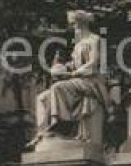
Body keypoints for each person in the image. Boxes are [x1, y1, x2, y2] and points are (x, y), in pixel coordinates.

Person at [28, 11, 110, 148]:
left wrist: (72, 74)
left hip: (91, 81)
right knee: (42, 97)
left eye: (73, 24)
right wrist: (61, 68)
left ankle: (59, 126)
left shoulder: (95, 40)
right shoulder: (78, 45)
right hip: (77, 80)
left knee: (57, 88)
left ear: (81, 23)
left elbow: (93, 64)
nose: (72, 28)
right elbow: (73, 65)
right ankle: (42, 133)